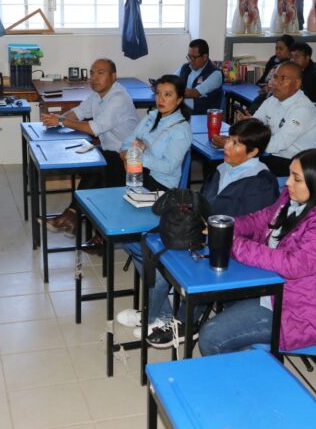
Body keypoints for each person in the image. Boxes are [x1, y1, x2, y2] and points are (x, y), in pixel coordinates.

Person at [118, 118, 281, 347]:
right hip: (203, 235)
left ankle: (179, 320)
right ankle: (162, 310)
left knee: (161, 257)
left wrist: (207, 234)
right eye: (229, 140)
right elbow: (205, 203)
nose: (227, 146)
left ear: (253, 151)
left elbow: (249, 230)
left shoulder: (260, 182)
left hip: (231, 251)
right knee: (138, 243)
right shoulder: (223, 168)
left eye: (235, 144)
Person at [198, 148, 316, 355]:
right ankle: (245, 361)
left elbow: (294, 264)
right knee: (212, 285)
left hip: (301, 313)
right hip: (274, 288)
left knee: (213, 336)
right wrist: (223, 226)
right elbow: (259, 220)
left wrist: (235, 244)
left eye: (297, 178)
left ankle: (238, 385)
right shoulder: (293, 199)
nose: (287, 183)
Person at [41, 59, 139, 236]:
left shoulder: (118, 98)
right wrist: (56, 121)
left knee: (95, 167)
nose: (94, 78)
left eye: (100, 73)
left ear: (113, 76)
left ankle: (73, 217)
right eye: (92, 73)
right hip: (110, 151)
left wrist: (62, 121)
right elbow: (78, 112)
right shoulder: (97, 95)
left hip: (128, 159)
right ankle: (73, 217)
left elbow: (93, 129)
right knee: (91, 164)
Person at [219, 61, 316, 176]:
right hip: (280, 157)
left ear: (297, 83)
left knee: (243, 167)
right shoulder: (273, 99)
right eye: (275, 77)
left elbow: (276, 145)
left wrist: (235, 143)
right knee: (230, 161)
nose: (276, 83)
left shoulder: (302, 110)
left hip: (307, 166)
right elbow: (256, 124)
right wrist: (246, 126)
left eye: (283, 78)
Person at [120, 74, 192, 191]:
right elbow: (128, 142)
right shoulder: (151, 117)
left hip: (160, 184)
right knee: (108, 163)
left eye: (167, 95)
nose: (160, 99)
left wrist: (138, 156)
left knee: (109, 175)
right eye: (158, 93)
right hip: (139, 171)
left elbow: (168, 166)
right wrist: (125, 155)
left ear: (179, 99)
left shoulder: (181, 129)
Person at [174, 38, 223, 115]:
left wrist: (170, 91)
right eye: (189, 57)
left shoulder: (215, 74)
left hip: (201, 116)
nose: (190, 60)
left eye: (193, 57)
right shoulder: (186, 67)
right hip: (182, 111)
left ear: (205, 57)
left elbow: (195, 93)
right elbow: (170, 81)